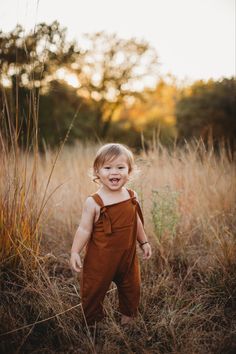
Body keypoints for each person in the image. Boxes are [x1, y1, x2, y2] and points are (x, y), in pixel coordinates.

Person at [70, 143, 152, 326]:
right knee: (94, 290)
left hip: (127, 258)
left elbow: (136, 221)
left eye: (120, 167)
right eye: (107, 167)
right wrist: (75, 251)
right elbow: (84, 229)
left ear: (129, 171)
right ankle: (93, 323)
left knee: (132, 288)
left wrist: (144, 242)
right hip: (100, 260)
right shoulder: (94, 202)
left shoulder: (132, 196)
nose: (114, 172)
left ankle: (128, 319)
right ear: (97, 171)